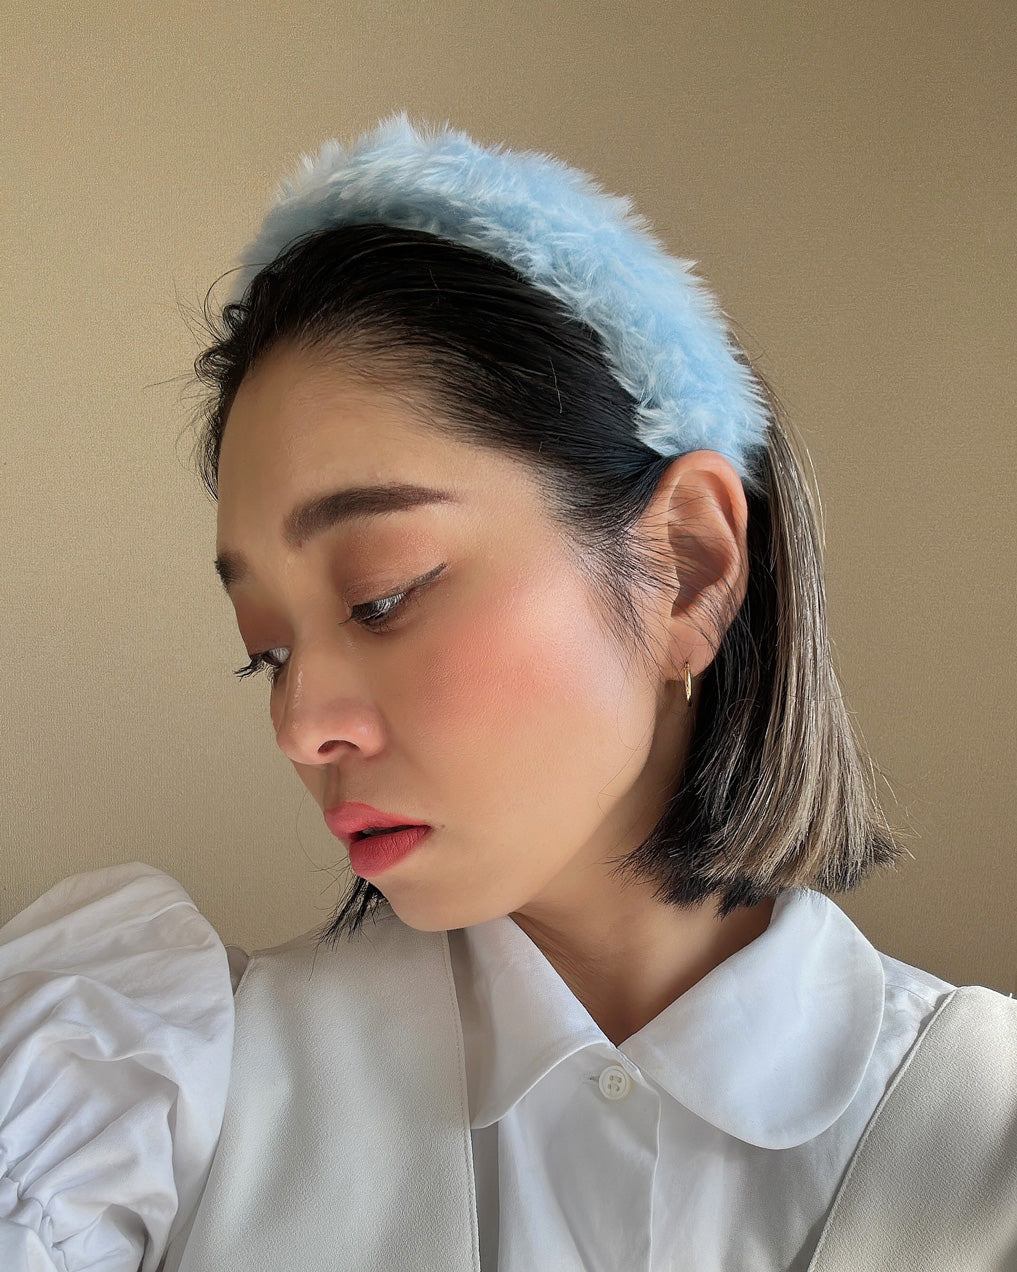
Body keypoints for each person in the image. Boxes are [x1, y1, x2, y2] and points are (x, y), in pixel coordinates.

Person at [0, 116, 1014, 1272]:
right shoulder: (138, 1100)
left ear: (688, 566)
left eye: (380, 596)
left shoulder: (985, 1136)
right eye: (265, 650)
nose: (300, 725)